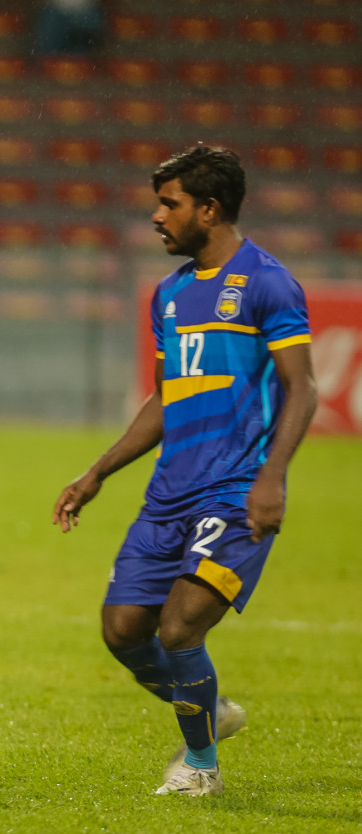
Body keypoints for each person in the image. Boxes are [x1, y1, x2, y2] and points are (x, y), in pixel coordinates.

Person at [52, 146, 316, 797]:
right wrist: (98, 472)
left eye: (168, 204)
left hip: (233, 490)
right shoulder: (168, 296)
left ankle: (200, 767)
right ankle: (210, 706)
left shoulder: (265, 282)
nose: (155, 216)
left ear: (209, 208)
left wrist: (271, 477)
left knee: (179, 627)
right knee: (121, 630)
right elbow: (166, 398)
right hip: (168, 492)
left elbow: (301, 387)